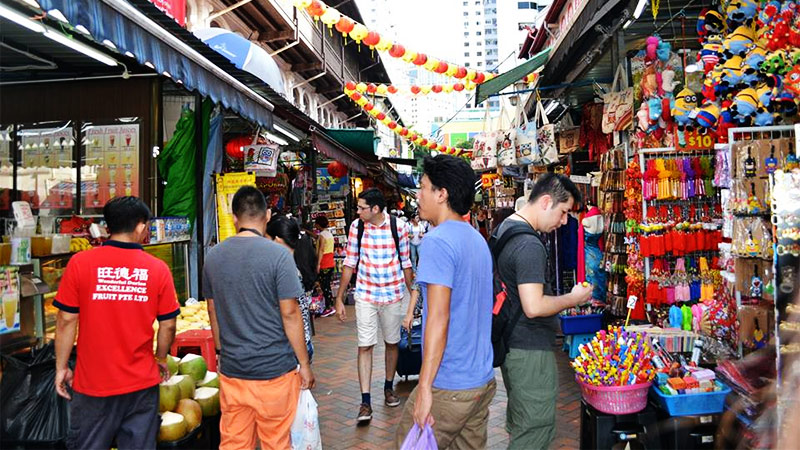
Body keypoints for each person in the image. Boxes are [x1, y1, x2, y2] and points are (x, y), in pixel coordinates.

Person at [53, 196, 179, 450]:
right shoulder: (157, 269)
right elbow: (168, 325)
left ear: (108, 226)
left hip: (93, 384)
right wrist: (161, 357)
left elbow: (66, 320)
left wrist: (61, 367)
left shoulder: (81, 263)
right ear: (141, 227)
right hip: (141, 385)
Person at [395, 155, 496, 448]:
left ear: (442, 194)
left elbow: (439, 318)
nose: (418, 195)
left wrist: (424, 387)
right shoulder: (476, 239)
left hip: (449, 383)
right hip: (480, 380)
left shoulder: (437, 241)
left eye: (423, 187)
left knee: (409, 442)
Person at [203, 186, 315, 450]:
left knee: (234, 442)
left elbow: (212, 310)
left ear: (234, 218)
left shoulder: (213, 256)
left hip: (233, 370)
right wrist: (304, 363)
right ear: (266, 214)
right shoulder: (279, 256)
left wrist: (220, 351)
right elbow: (290, 313)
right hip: (275, 370)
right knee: (276, 441)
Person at [493, 173, 593, 449]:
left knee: (522, 423)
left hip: (513, 343)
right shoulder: (529, 245)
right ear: (546, 201)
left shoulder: (506, 228)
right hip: (529, 349)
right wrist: (572, 298)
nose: (563, 222)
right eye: (562, 213)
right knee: (534, 430)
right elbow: (534, 306)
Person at [335, 188, 413, 423]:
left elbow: (406, 262)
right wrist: (339, 297)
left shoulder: (398, 227)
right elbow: (350, 262)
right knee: (365, 345)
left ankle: (388, 387)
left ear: (376, 209)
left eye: (361, 208)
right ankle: (365, 401)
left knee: (392, 343)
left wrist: (414, 298)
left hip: (393, 294)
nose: (357, 211)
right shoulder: (356, 227)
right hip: (366, 294)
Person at [268, 215, 315, 361]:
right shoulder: (300, 263)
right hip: (303, 342)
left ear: (277, 240)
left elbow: (289, 313)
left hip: (291, 346)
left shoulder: (286, 270)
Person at [315, 216, 336, 318]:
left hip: (324, 263)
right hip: (330, 262)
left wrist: (318, 264)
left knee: (325, 286)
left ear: (318, 224)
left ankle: (329, 307)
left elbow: (321, 250)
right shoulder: (329, 234)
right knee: (327, 285)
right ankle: (330, 305)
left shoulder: (322, 236)